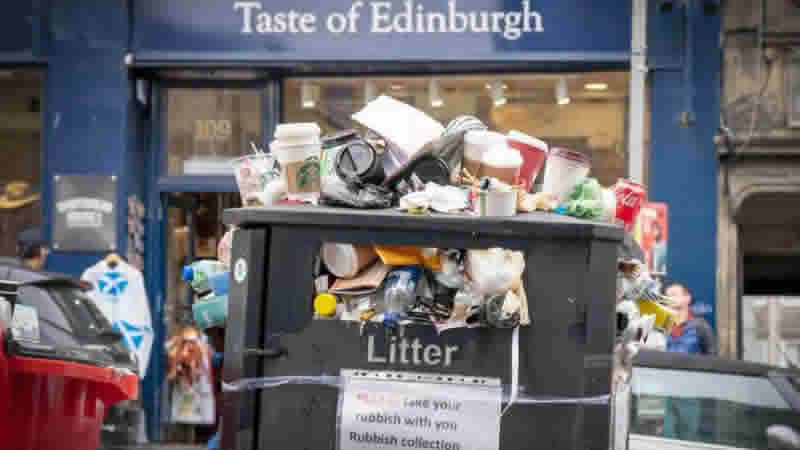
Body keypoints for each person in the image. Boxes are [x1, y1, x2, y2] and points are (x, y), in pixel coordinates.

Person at [665, 282, 715, 355]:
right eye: (668, 296)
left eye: (674, 295)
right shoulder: (662, 326)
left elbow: (711, 355)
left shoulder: (700, 326)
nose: (670, 299)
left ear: (687, 298)